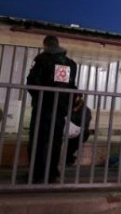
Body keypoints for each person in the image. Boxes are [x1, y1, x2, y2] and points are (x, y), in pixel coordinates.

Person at [26, 35, 77, 183]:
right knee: (55, 140)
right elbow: (71, 87)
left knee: (38, 140)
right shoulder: (70, 64)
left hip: (43, 107)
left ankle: (37, 174)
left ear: (46, 45)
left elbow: (32, 82)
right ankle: (52, 173)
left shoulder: (42, 59)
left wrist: (39, 98)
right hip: (60, 109)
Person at [65, 93, 92, 166]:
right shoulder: (66, 107)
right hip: (66, 131)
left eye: (75, 96)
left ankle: (68, 158)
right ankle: (69, 158)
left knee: (79, 137)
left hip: (79, 132)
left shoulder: (85, 110)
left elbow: (83, 123)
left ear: (79, 97)